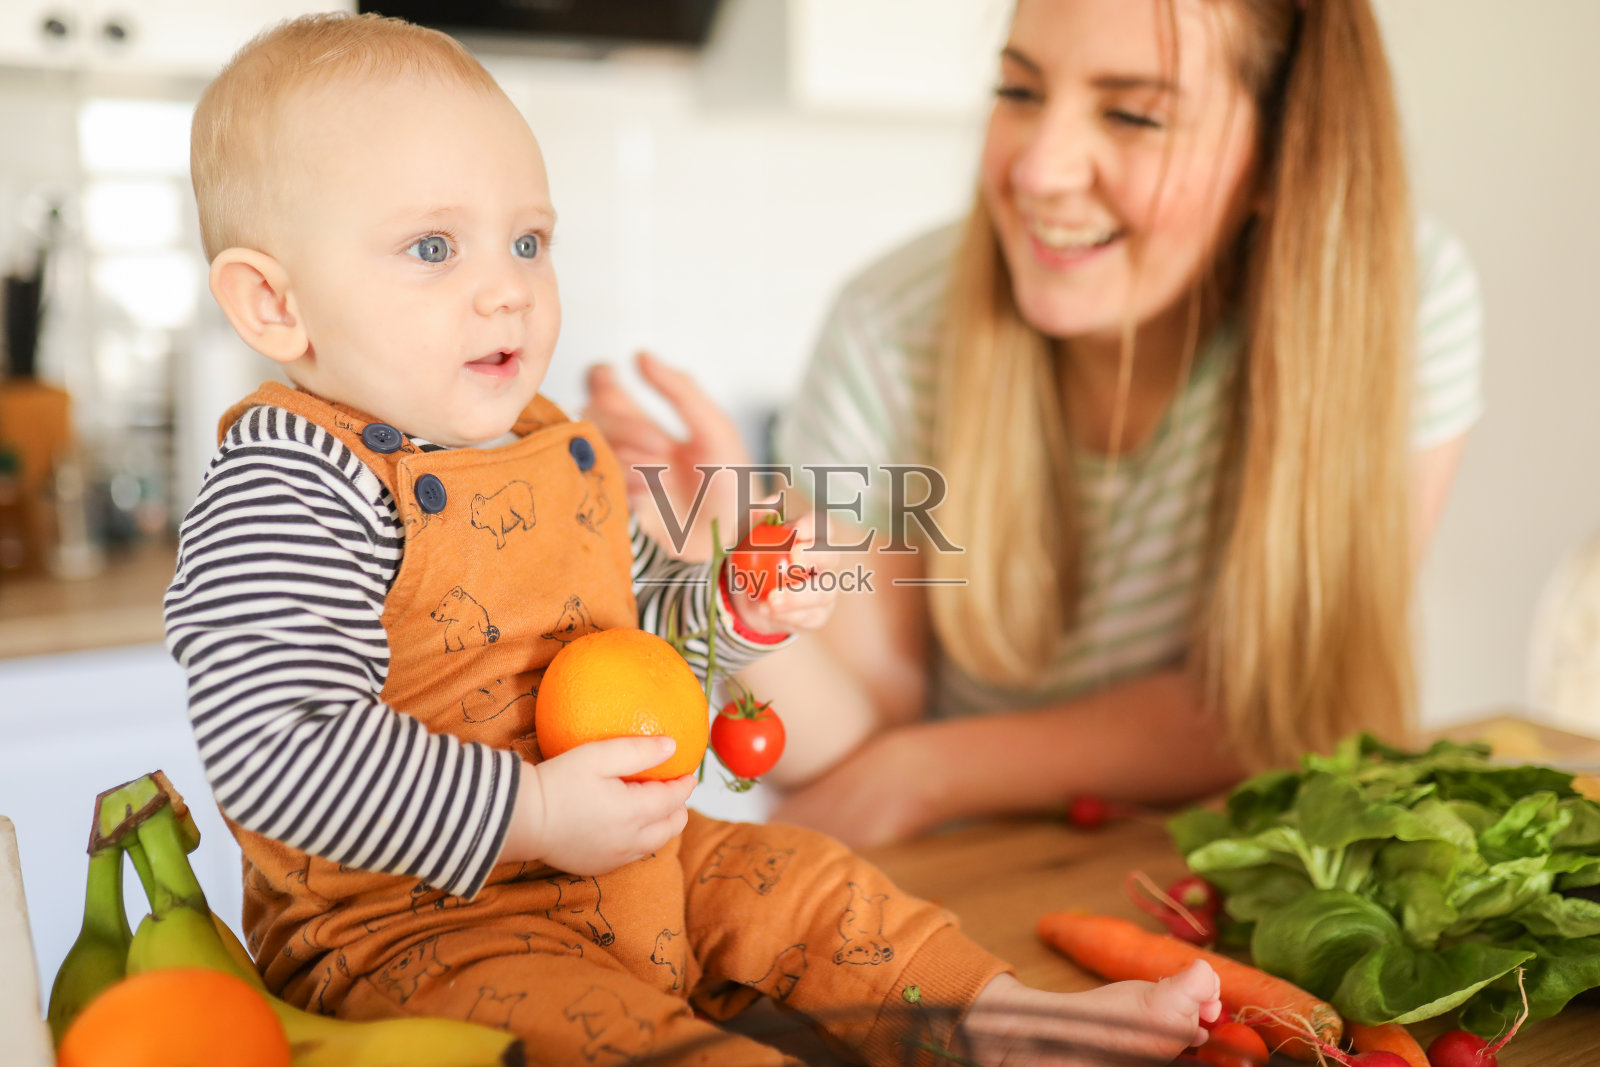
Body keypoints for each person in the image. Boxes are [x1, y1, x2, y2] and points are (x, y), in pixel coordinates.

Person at [166, 12, 1224, 1065]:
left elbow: (635, 650)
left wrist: (725, 607)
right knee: (647, 1041)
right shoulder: (292, 480)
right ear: (273, 303)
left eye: (528, 240)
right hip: (419, 934)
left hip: (628, 865)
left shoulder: (555, 449)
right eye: (434, 246)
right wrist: (529, 809)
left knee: (815, 882)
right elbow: (277, 748)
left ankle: (1004, 1016)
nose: (508, 286)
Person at [586, 0, 1484, 848]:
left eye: (1133, 115)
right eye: (1018, 91)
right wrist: (727, 558)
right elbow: (853, 746)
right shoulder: (888, 332)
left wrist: (930, 772)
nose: (1038, 168)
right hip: (978, 891)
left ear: (1283, 155)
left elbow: (1293, 699)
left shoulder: (1396, 308)